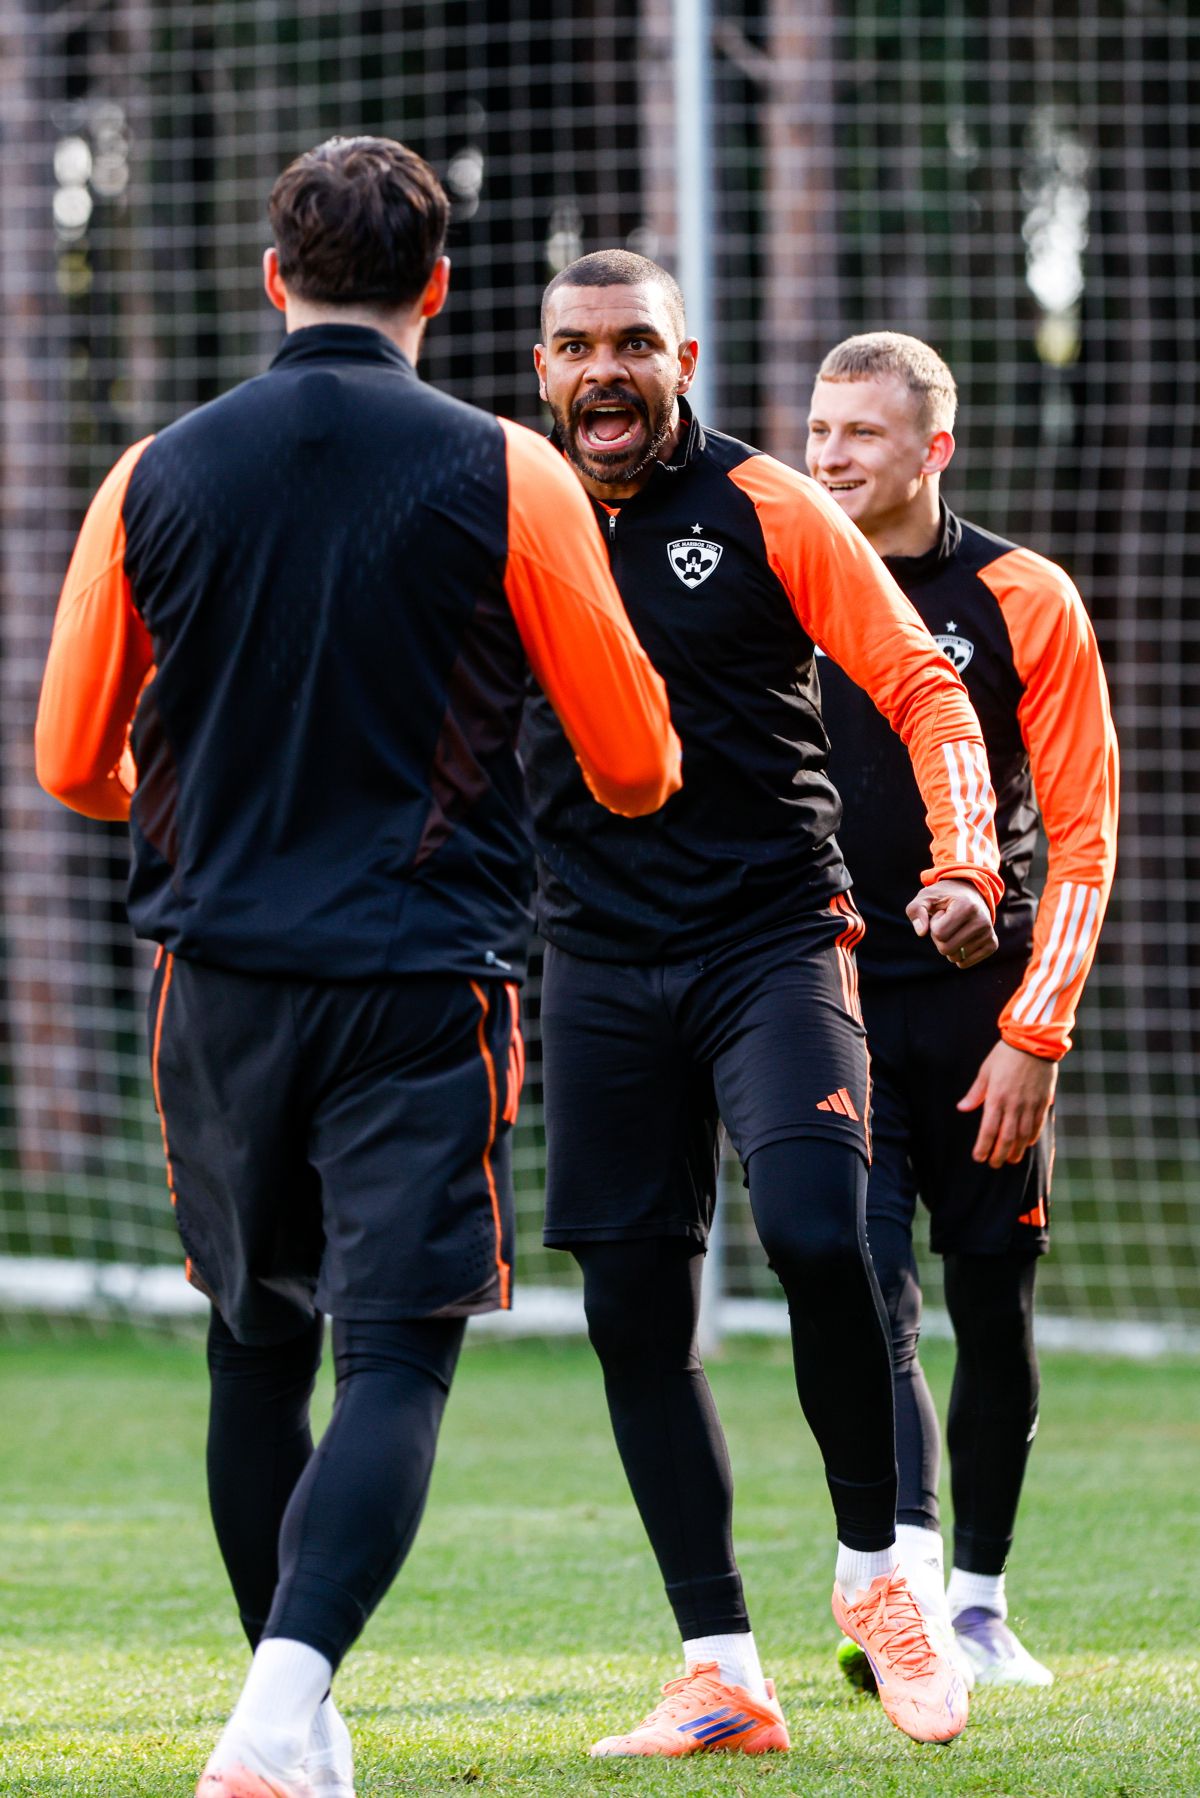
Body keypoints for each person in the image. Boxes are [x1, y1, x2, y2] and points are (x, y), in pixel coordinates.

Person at [36, 141, 680, 1798]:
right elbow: (633, 765)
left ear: (276, 279)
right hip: (421, 980)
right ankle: (281, 1716)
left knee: (253, 1344)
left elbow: (69, 761)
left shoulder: (150, 474)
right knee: (392, 1356)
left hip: (217, 987)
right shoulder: (510, 472)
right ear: (440, 290)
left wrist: (206, 812)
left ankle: (288, 1720)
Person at [523, 250, 1005, 1755]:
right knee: (631, 1307)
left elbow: (923, 685)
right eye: (574, 347)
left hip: (771, 938)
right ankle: (722, 1667)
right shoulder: (505, 513)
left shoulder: (767, 504)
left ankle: (879, 1575)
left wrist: (968, 859)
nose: (603, 370)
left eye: (633, 343)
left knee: (814, 1231)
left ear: (684, 359)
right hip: (595, 959)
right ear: (542, 371)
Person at [807, 331, 1118, 1688]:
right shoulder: (785, 581)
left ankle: (982, 1607)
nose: (829, 458)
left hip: (989, 1019)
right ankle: (911, 1592)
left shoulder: (1024, 595)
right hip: (833, 1004)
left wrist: (1033, 1035)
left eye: (861, 435)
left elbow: (1087, 838)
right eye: (819, 431)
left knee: (992, 1309)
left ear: (933, 449)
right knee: (868, 1287)